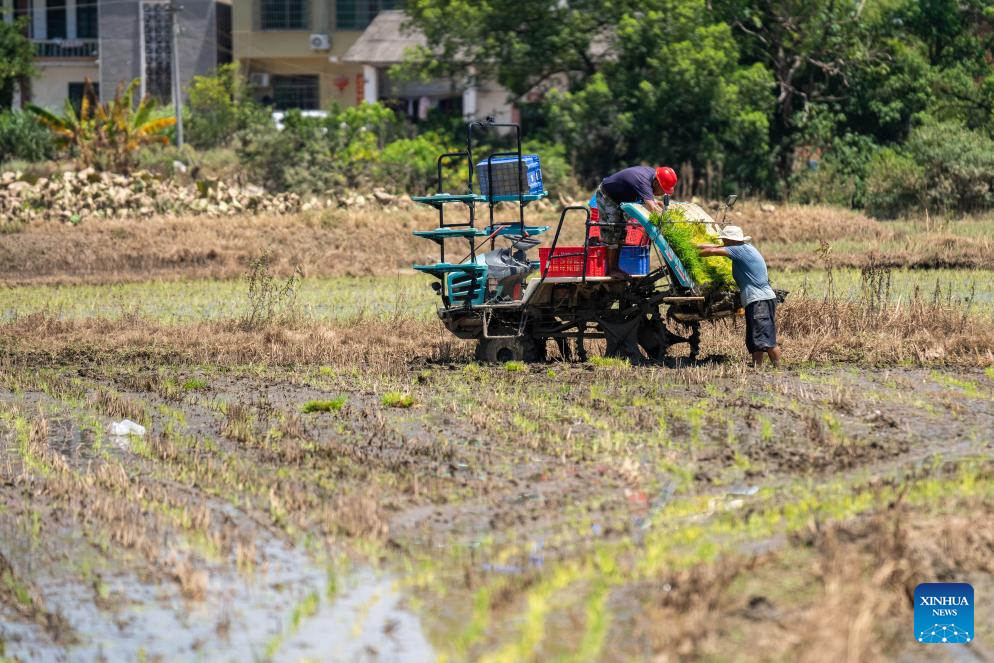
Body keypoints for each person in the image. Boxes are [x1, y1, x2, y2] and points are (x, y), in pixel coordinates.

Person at [697, 226, 781, 368]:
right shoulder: (743, 248)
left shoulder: (739, 250)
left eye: (724, 239)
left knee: (766, 339)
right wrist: (695, 246)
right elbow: (715, 246)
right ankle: (756, 367)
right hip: (757, 300)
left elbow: (712, 251)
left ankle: (778, 369)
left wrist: (692, 255)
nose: (722, 241)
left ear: (730, 240)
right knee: (756, 338)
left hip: (760, 300)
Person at [596, 166, 678, 277]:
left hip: (621, 198)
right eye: (662, 190)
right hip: (607, 196)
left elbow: (647, 198)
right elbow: (653, 209)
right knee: (613, 230)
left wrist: (655, 202)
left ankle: (615, 268)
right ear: (656, 183)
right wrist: (668, 225)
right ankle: (612, 269)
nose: (662, 194)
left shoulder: (652, 178)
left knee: (621, 233)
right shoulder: (643, 180)